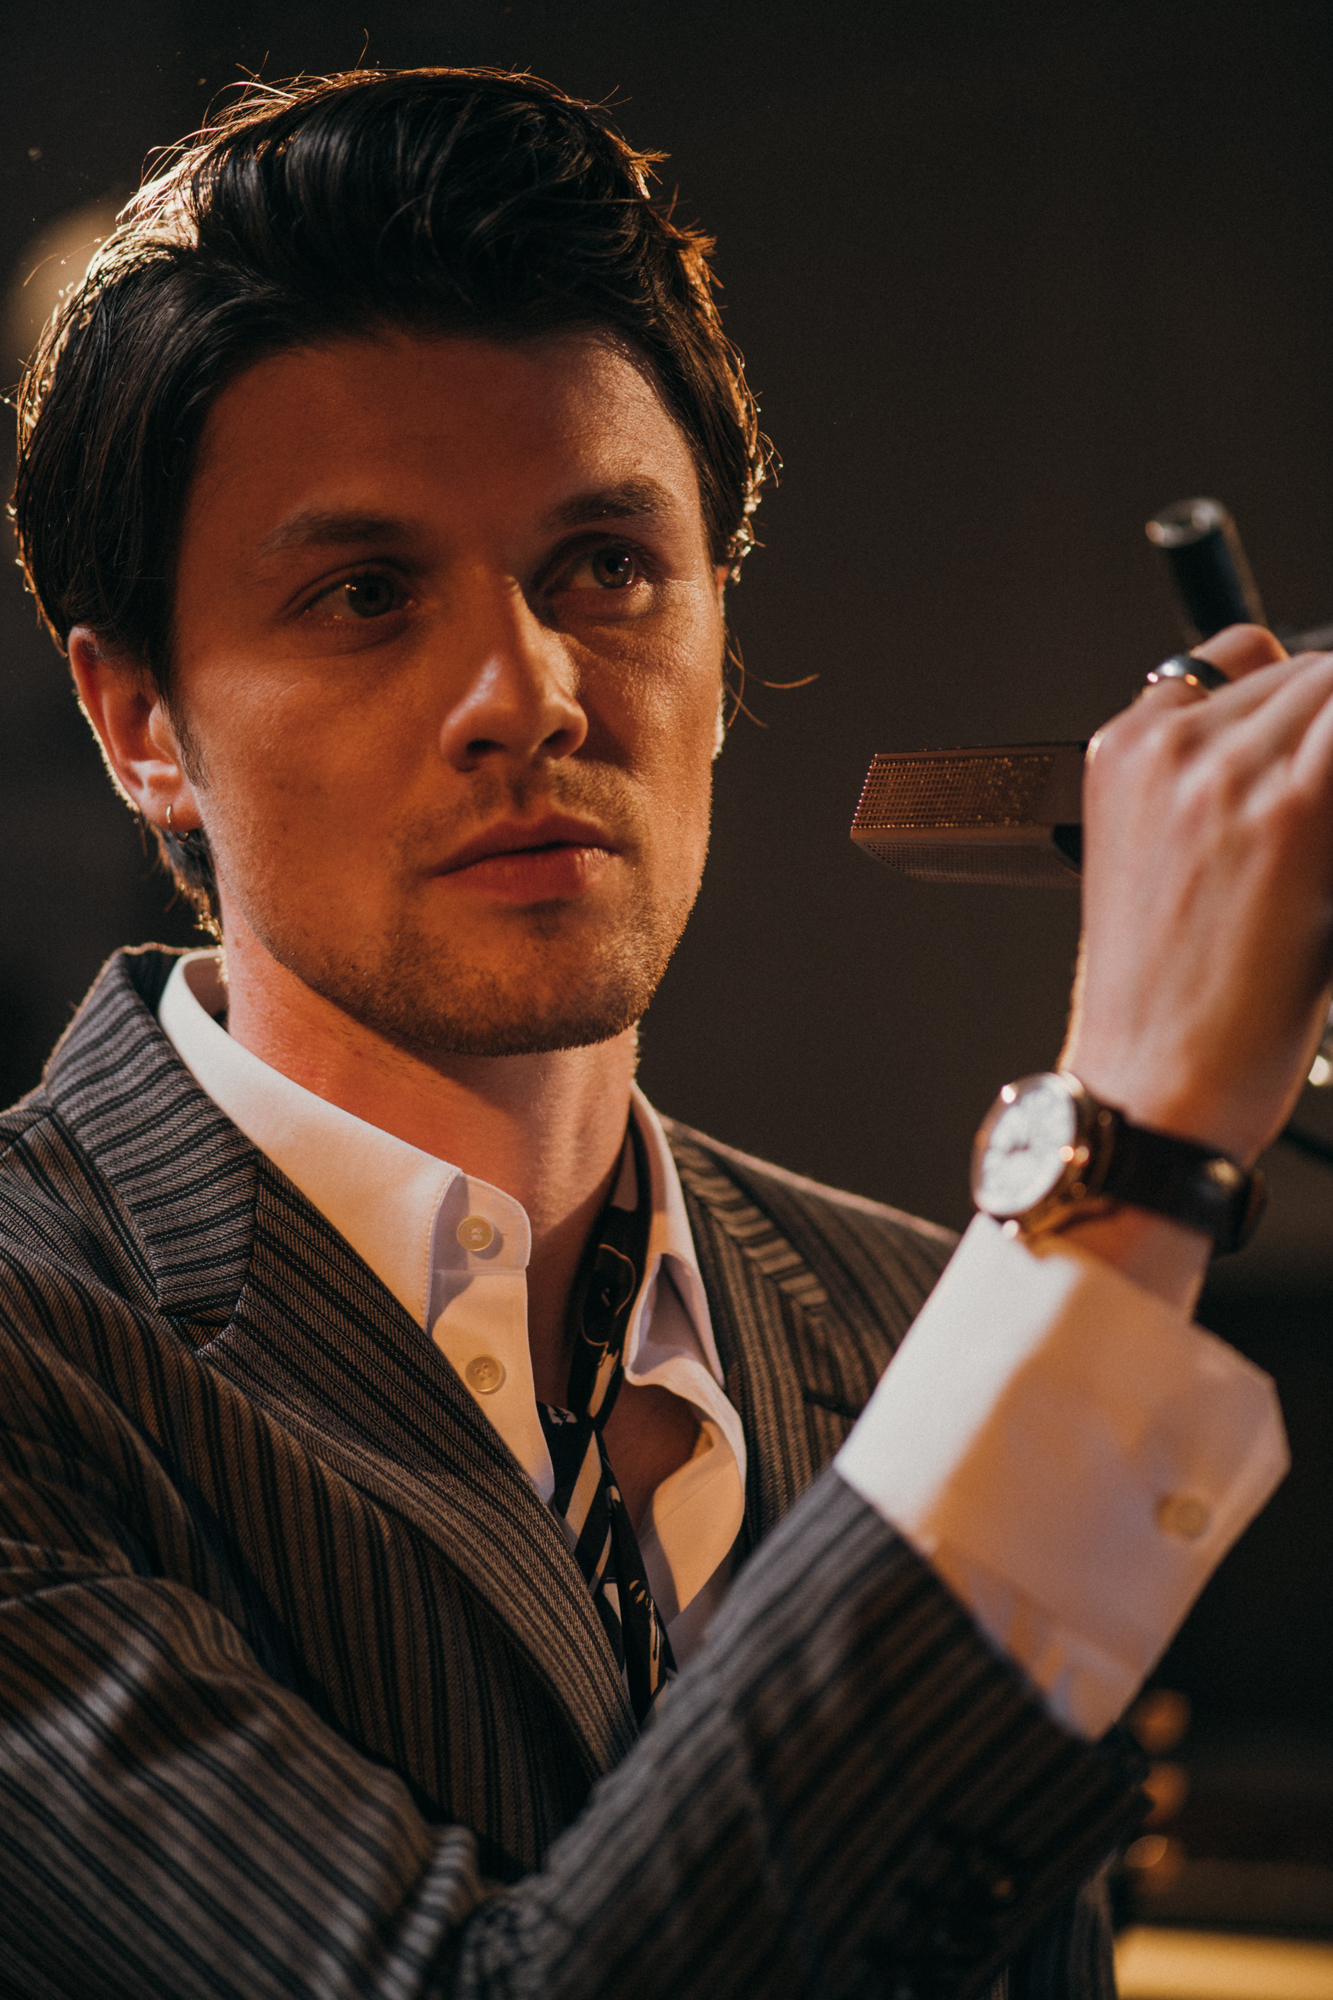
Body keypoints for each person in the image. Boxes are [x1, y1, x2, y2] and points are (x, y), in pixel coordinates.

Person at [0, 65, 1313, 1999]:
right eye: (365, 594)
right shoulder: (41, 1350)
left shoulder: (913, 1331)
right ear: (139, 727)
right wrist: (1124, 1147)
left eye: (604, 567)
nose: (526, 691)